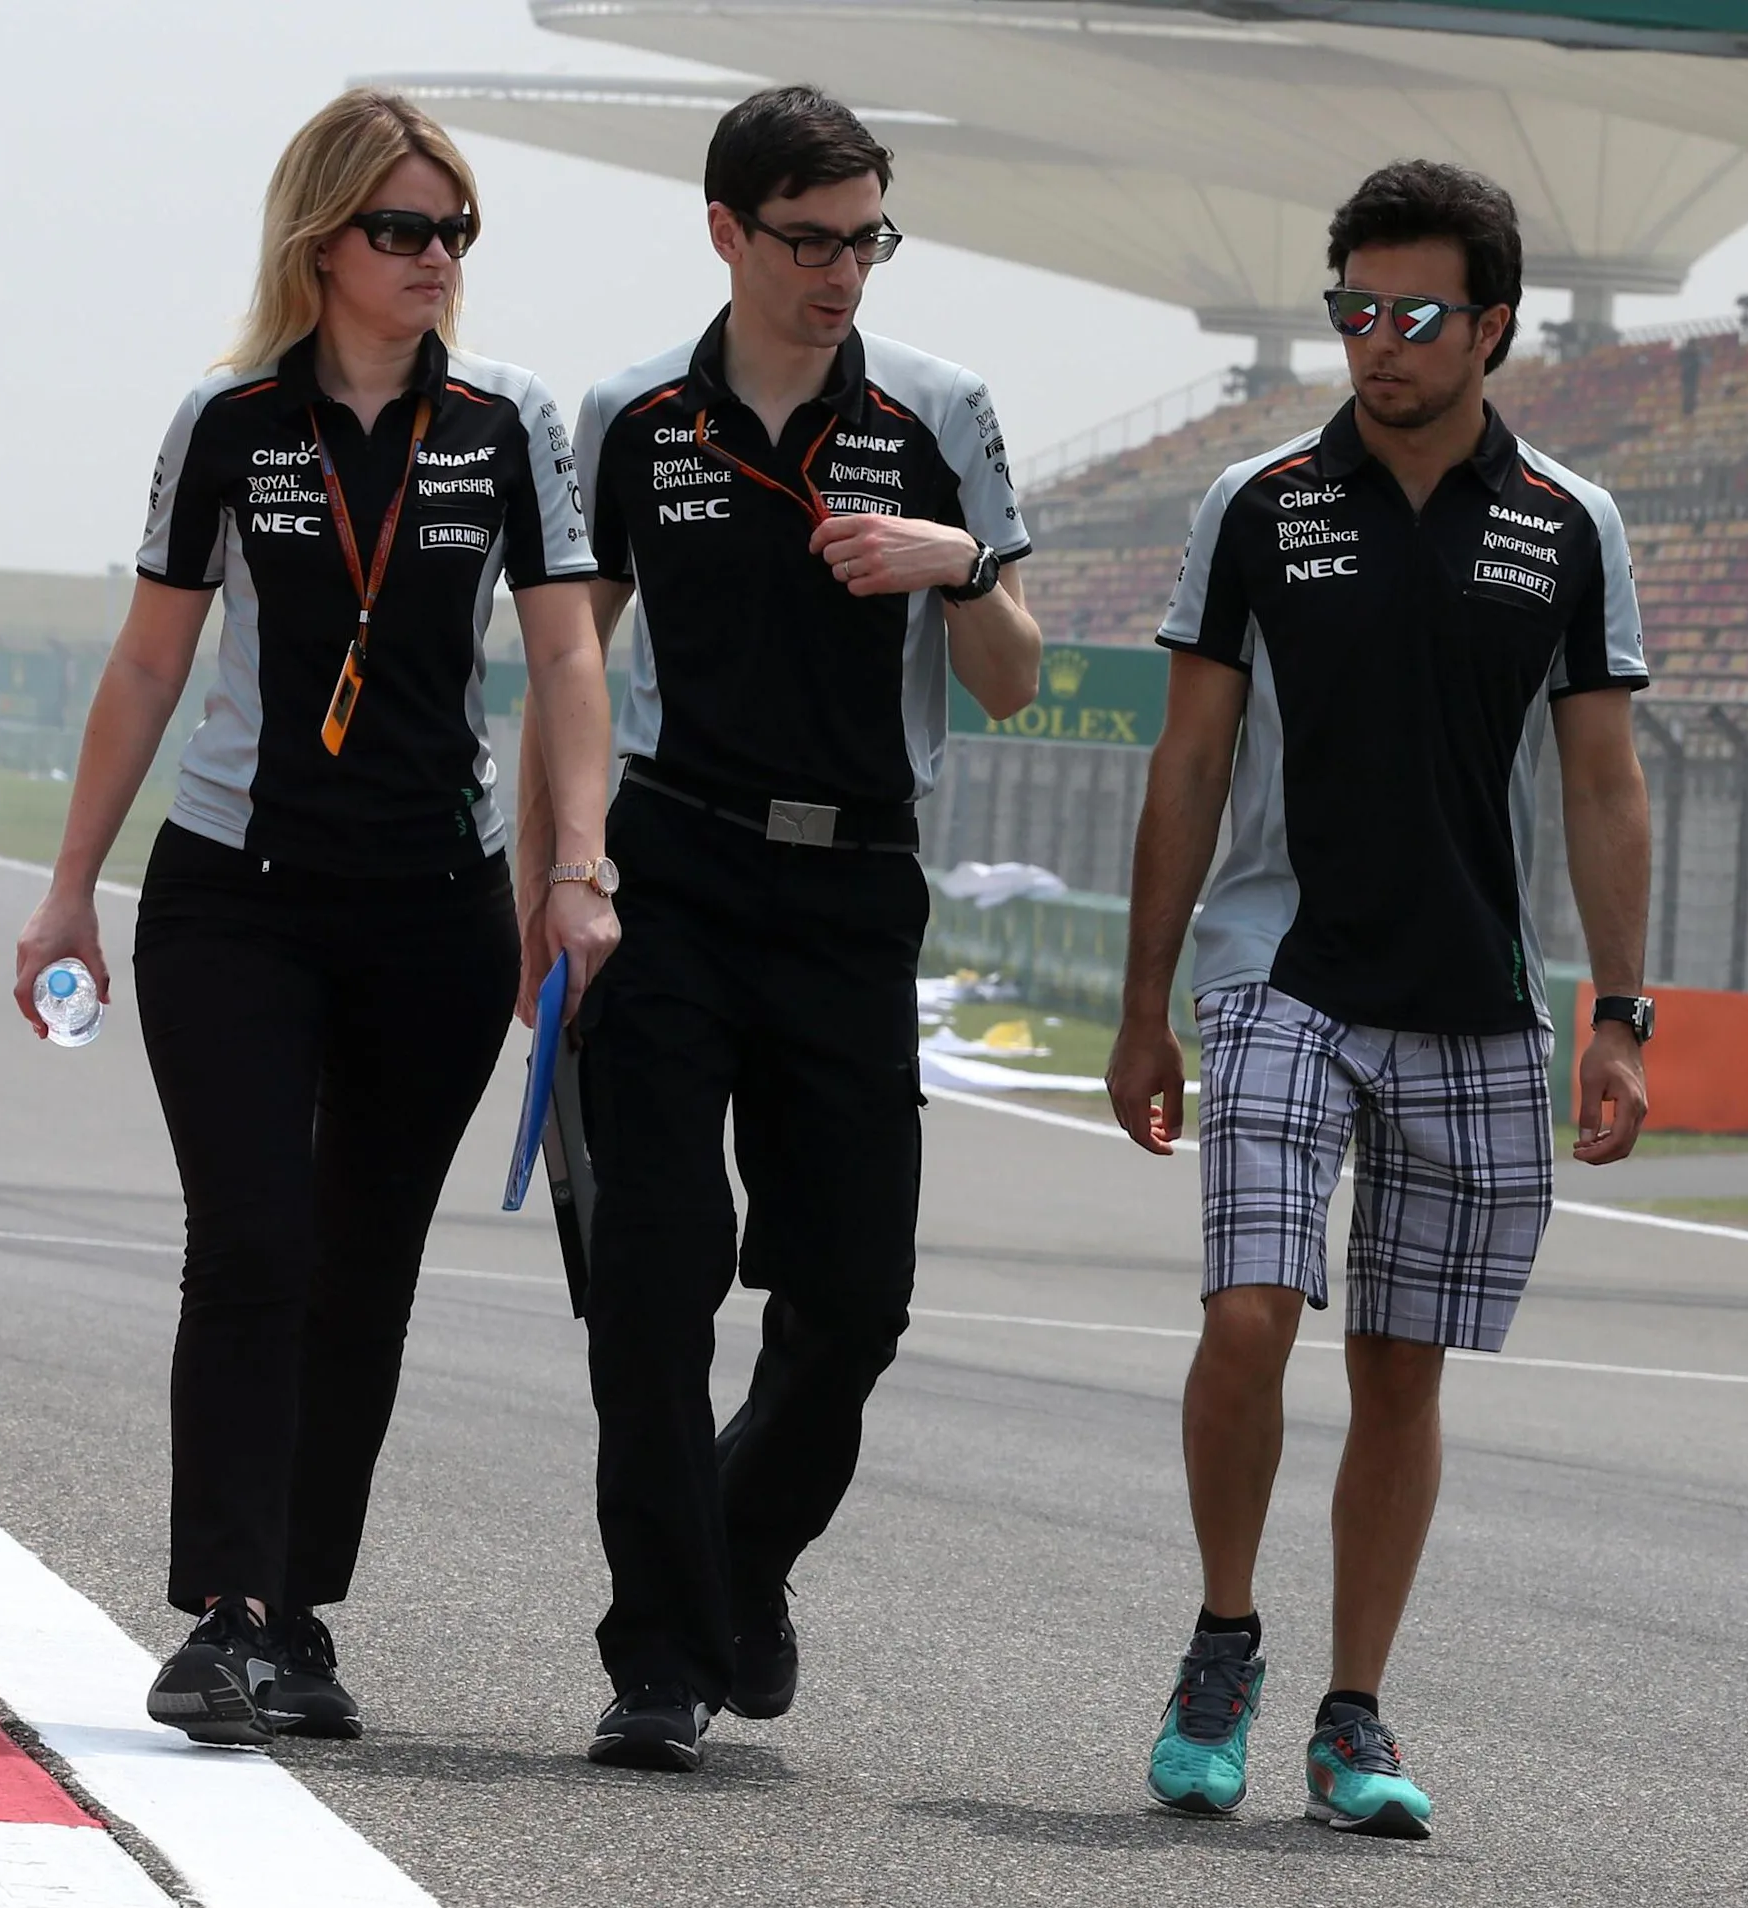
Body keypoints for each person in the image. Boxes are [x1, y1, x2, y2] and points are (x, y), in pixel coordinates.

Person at [11, 89, 620, 1745]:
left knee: (364, 1266)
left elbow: (568, 653)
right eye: (403, 230)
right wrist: (69, 886)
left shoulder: (506, 427)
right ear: (322, 242)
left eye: (456, 231)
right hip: (236, 895)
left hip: (434, 906)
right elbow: (148, 661)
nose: (436, 260)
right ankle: (221, 1608)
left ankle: (301, 1615)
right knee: (258, 1236)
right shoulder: (230, 420)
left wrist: (575, 872)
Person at [1107, 159, 1656, 1840]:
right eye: (1352, 310)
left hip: (1475, 1000)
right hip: (1279, 969)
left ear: (1495, 326)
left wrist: (1621, 1014)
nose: (1378, 342)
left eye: (1415, 314)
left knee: (1403, 1371)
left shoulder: (1570, 520)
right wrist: (1145, 1005)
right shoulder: (1259, 502)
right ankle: (1221, 1647)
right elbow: (1189, 762)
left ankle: (1351, 1718)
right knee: (1250, 1313)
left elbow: (1606, 788)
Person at [533, 83, 1039, 1772]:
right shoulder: (632, 413)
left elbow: (1018, 678)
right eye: (810, 241)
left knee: (856, 1299)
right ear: (727, 232)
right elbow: (569, 658)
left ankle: (741, 1554)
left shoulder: (939, 407)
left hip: (853, 889)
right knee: (656, 1290)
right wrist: (568, 869)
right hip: (671, 873)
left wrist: (954, 566)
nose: (842, 274)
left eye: (867, 239)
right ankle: (660, 1653)